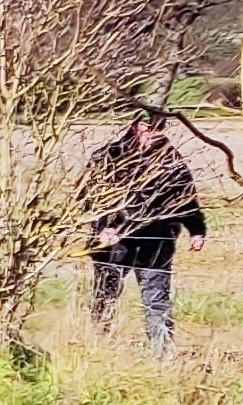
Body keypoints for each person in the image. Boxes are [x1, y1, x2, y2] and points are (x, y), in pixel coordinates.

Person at [83, 116, 206, 350]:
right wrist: (102, 228)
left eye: (159, 127)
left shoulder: (171, 160)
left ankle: (162, 352)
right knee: (105, 295)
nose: (154, 132)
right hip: (115, 241)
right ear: (135, 126)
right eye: (149, 126)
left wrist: (196, 230)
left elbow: (186, 198)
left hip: (157, 239)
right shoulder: (110, 156)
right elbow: (91, 197)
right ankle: (97, 347)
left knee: (156, 298)